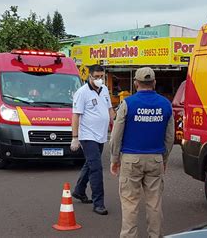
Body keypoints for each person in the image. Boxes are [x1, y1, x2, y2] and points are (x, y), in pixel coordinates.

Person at [109, 67, 174, 238]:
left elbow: (116, 135)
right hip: (156, 159)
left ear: (136, 83)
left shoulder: (128, 104)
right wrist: (164, 159)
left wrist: (114, 159)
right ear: (154, 83)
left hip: (131, 160)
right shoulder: (165, 104)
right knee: (154, 204)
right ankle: (156, 235)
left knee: (130, 204)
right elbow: (170, 137)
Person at [70, 64, 115, 215]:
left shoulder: (105, 90)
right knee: (96, 167)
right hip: (87, 136)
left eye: (101, 76)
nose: (99, 79)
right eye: (96, 77)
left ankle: (79, 190)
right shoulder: (82, 93)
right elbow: (76, 115)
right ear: (89, 76)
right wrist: (75, 138)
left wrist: (116, 124)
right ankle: (99, 203)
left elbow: (110, 109)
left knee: (89, 165)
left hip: (101, 135)